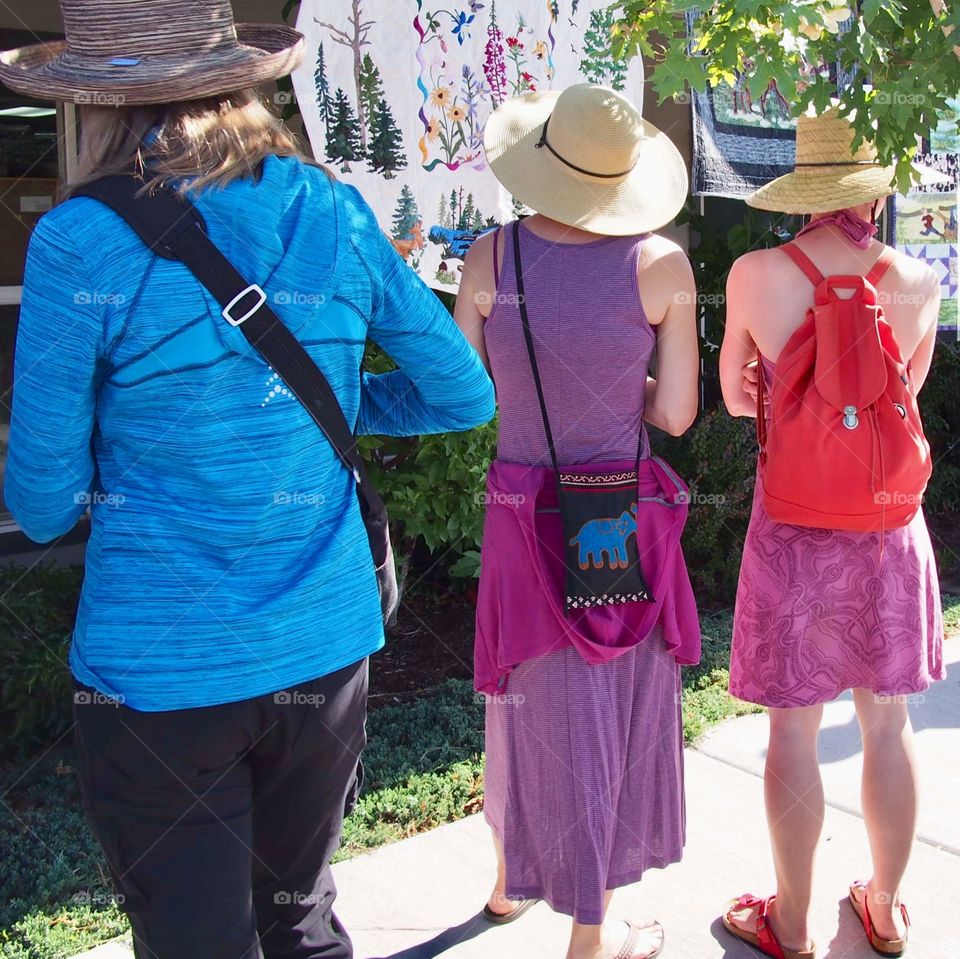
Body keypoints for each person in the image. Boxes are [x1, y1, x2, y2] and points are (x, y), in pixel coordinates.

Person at [0, 3, 494, 958]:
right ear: (241, 81)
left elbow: (44, 499)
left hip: (160, 675)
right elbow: (460, 393)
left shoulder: (77, 243)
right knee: (300, 914)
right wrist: (341, 412)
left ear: (98, 103)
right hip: (323, 646)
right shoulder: (336, 212)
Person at [456, 83, 701, 959]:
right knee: (601, 700)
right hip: (612, 512)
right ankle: (592, 933)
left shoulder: (490, 259)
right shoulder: (661, 265)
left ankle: (504, 880)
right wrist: (619, 376)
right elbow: (675, 412)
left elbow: (472, 391)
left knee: (517, 690)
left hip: (519, 507)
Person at [719, 108, 945, 959]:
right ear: (877, 189)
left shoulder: (753, 273)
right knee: (887, 724)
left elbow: (744, 399)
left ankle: (793, 923)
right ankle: (884, 909)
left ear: (804, 188)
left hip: (797, 529)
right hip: (889, 529)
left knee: (793, 732)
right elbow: (904, 398)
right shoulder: (920, 279)